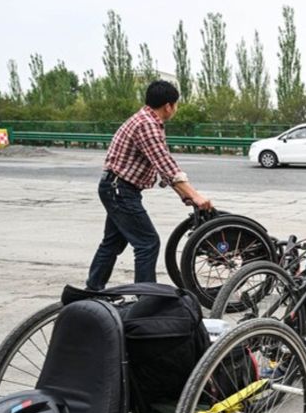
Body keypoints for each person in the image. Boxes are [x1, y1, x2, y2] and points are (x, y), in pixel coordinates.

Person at [86, 81, 212, 291]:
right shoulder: (147, 125)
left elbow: (162, 168)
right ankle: (146, 298)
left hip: (116, 187)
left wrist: (185, 195)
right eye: (176, 104)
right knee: (148, 243)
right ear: (168, 106)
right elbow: (166, 165)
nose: (176, 109)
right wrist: (195, 195)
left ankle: (92, 290)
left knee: (113, 243)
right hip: (120, 190)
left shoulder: (145, 120)